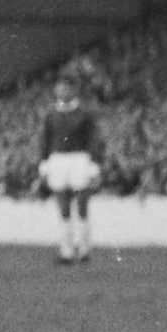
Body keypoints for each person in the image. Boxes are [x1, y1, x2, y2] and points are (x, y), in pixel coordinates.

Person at [36, 75, 105, 266]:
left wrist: (94, 164)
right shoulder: (51, 114)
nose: (62, 91)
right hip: (58, 159)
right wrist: (43, 162)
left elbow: (94, 139)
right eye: (59, 88)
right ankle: (66, 251)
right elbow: (45, 139)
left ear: (74, 90)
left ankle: (83, 249)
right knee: (63, 206)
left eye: (66, 88)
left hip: (79, 158)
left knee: (82, 204)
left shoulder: (84, 113)